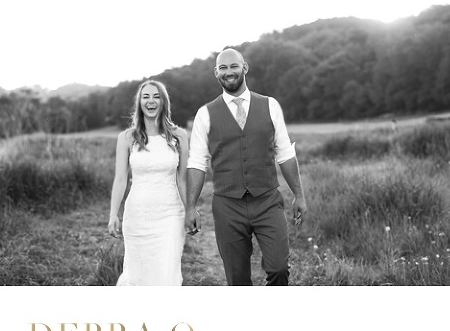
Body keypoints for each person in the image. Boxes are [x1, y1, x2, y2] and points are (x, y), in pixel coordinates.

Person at [185, 47, 306, 286]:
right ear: (216, 72)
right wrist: (191, 207)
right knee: (238, 279)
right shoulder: (204, 114)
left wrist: (299, 195)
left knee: (279, 268)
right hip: (227, 205)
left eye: (234, 66)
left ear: (245, 68)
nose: (228, 72)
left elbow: (285, 153)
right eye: (223, 68)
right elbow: (197, 162)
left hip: (267, 201)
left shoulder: (270, 105)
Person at [108, 80, 188, 285]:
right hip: (137, 215)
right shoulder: (126, 138)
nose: (151, 101)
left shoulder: (179, 136)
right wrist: (113, 214)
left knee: (167, 272)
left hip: (170, 214)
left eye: (156, 96)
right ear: (139, 103)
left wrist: (191, 210)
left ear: (163, 102)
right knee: (139, 275)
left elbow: (182, 179)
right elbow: (120, 179)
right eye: (146, 97)